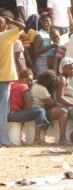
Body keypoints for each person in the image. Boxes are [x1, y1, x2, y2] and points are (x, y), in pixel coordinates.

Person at [0, 16, 25, 147]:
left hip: (4, 78)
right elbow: (22, 26)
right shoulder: (5, 36)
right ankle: (3, 141)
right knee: (2, 112)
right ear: (4, 27)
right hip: (4, 78)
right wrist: (11, 21)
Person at [8, 69, 49, 145]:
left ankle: (20, 136)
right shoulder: (23, 86)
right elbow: (29, 105)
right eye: (28, 80)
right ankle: (37, 139)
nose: (30, 83)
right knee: (41, 111)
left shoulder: (12, 84)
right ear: (22, 78)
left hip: (7, 114)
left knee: (24, 111)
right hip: (14, 114)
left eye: (31, 81)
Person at [30, 70, 68, 144]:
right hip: (39, 109)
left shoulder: (36, 83)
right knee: (63, 112)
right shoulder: (41, 89)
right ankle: (62, 139)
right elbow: (51, 104)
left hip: (36, 109)